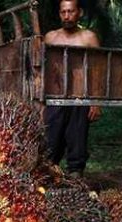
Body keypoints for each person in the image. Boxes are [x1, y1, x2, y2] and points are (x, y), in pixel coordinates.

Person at [44, 0, 102, 178]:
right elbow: (42, 71)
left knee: (77, 140)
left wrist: (96, 101)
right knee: (50, 141)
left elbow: (98, 70)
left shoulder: (88, 38)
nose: (67, 16)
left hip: (80, 97)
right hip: (55, 97)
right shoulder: (51, 37)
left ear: (80, 13)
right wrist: (40, 103)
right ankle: (47, 176)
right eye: (63, 12)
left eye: (70, 11)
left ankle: (75, 177)